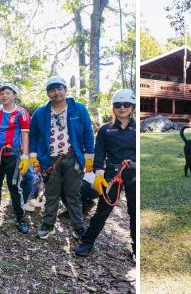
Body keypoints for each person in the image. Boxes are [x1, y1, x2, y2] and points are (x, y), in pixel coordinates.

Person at [29, 75, 94, 240]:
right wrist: (34, 155)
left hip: (73, 157)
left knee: (73, 194)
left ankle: (78, 228)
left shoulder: (79, 109)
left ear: (65, 90)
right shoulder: (40, 113)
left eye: (59, 88)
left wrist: (89, 156)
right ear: (47, 93)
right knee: (52, 193)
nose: (56, 92)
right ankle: (48, 224)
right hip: (50, 160)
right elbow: (34, 136)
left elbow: (88, 133)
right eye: (52, 89)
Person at [75, 89, 136, 257]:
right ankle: (87, 242)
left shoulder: (138, 129)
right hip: (112, 175)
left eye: (126, 104)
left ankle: (136, 248)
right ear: (113, 107)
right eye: (118, 105)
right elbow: (99, 154)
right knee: (103, 210)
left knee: (134, 211)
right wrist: (99, 175)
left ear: (132, 107)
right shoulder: (105, 130)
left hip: (133, 175)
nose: (122, 108)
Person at [0, 84, 30, 233]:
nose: (4, 95)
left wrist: (25, 155)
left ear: (14, 95)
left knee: (14, 186)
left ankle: (20, 218)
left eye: (7, 93)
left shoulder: (21, 113)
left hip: (14, 155)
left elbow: (25, 134)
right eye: (2, 93)